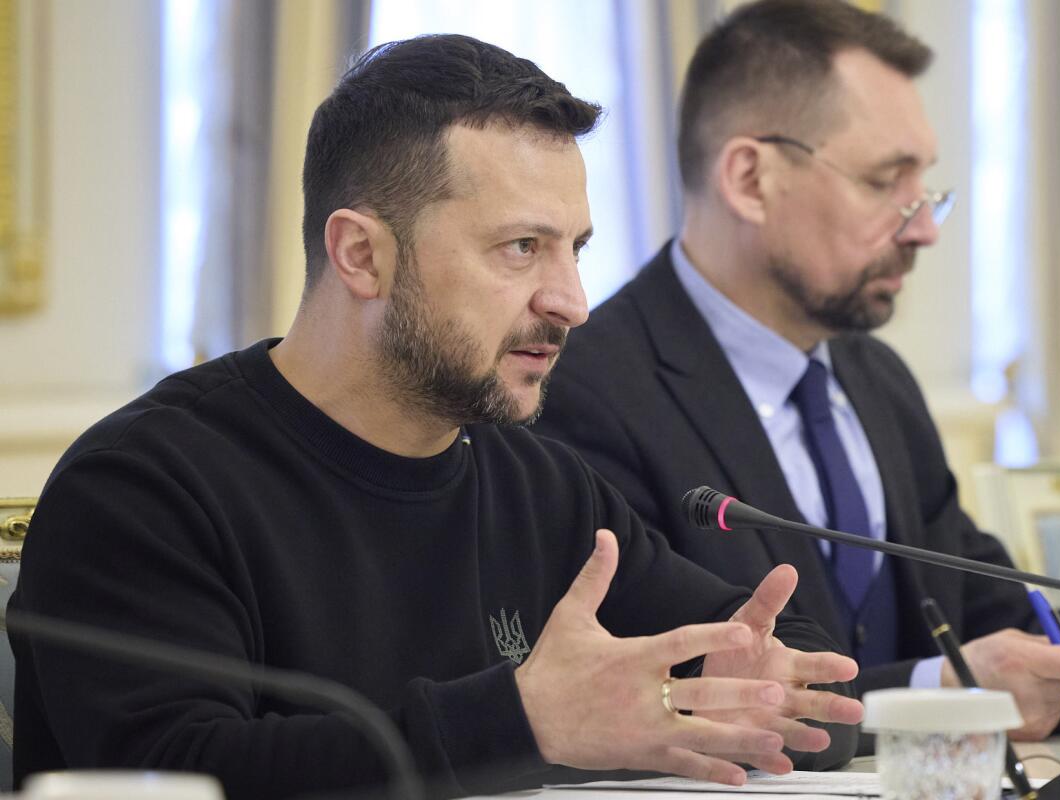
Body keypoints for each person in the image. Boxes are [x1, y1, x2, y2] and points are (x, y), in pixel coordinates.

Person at [8, 35, 864, 800]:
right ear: (361, 254)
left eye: (577, 249)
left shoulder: (541, 486)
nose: (571, 301)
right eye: (521, 248)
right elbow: (177, 773)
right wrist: (522, 721)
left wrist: (762, 693)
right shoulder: (144, 485)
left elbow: (804, 681)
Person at [533, 0, 1060, 743]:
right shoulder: (582, 392)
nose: (925, 226)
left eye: (924, 184)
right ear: (749, 179)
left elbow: (989, 609)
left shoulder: (878, 380)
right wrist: (939, 690)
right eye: (884, 182)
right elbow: (682, 689)